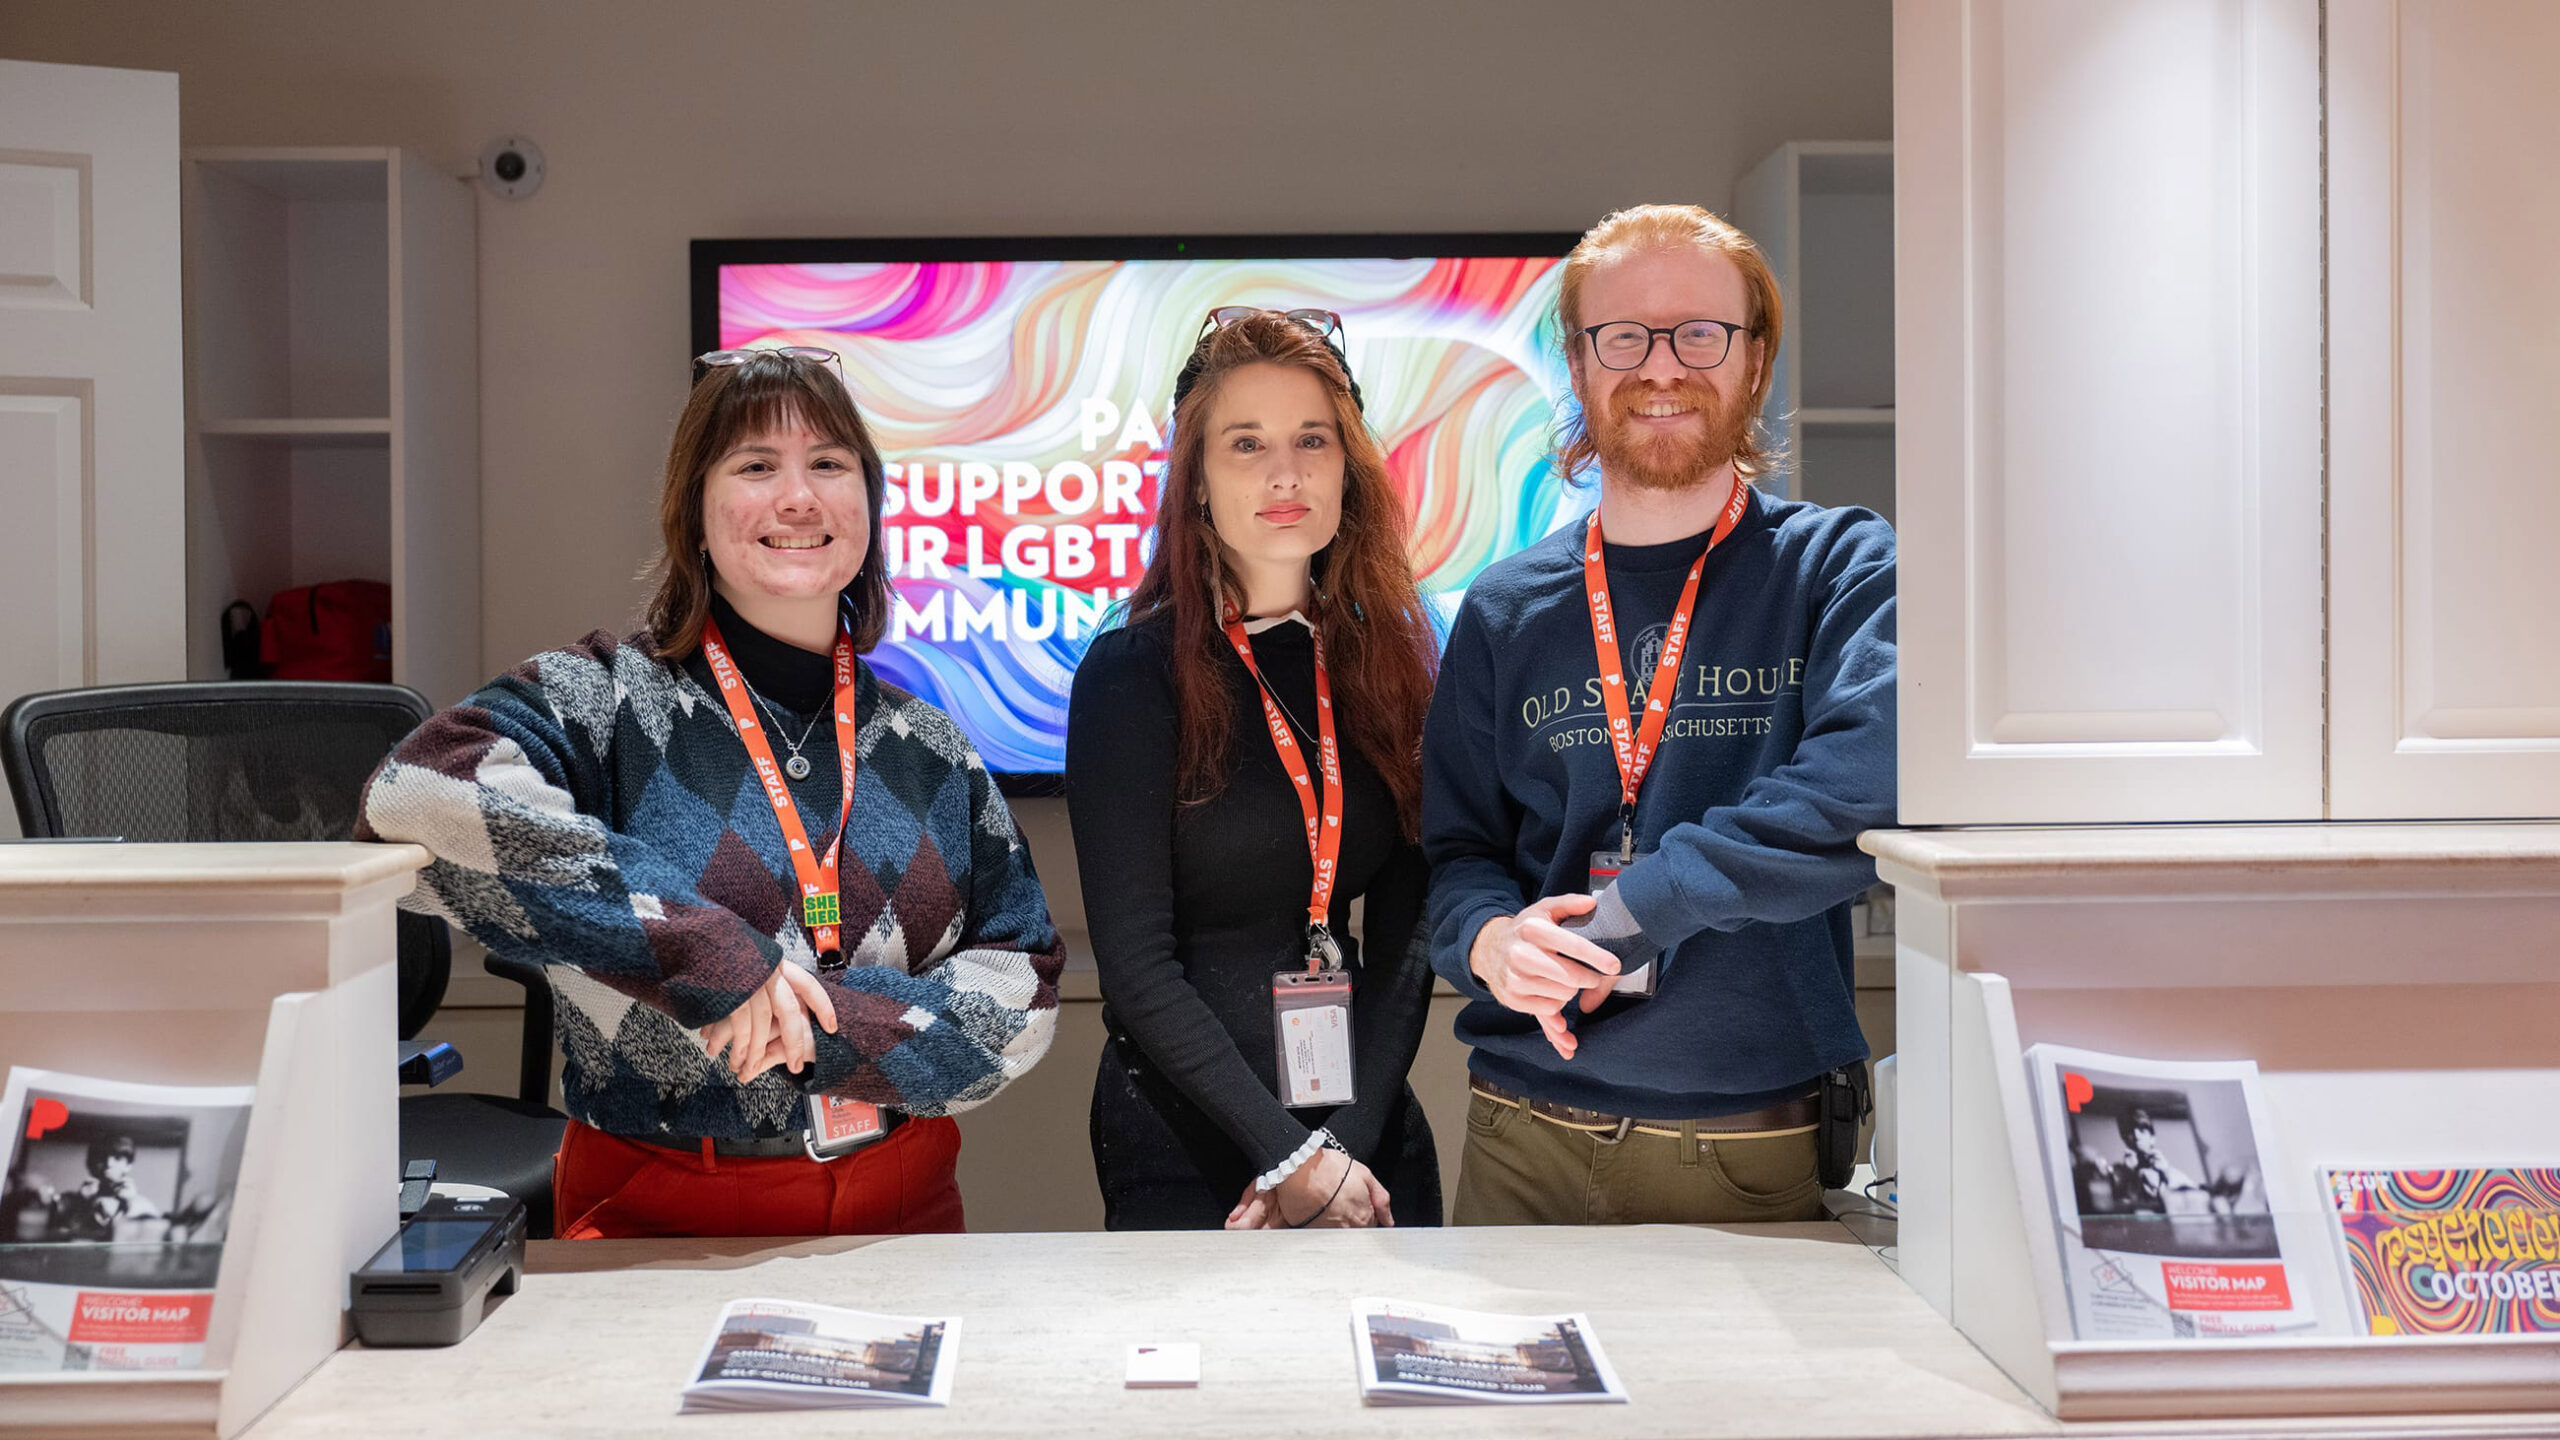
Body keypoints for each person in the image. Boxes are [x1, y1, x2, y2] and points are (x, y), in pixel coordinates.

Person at [359, 348, 1064, 1238]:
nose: (798, 497)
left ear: (868, 508)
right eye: (756, 466)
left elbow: (1026, 985)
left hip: (904, 1199)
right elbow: (415, 795)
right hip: (657, 1208)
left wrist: (828, 1029)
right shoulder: (609, 700)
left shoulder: (930, 744)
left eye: (830, 465)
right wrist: (704, 957)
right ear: (694, 510)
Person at [1421, 205, 1897, 1225]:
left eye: (1699, 333)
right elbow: (1455, 857)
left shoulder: (1838, 569)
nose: (1662, 366)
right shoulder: (1506, 610)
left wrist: (1637, 910)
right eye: (1623, 336)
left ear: (1754, 359)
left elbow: (1870, 780)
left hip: (1744, 1144)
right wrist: (1490, 945)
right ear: (1580, 364)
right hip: (1518, 1136)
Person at [1068, 308, 1443, 1230]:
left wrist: (1339, 1153)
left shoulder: (1390, 664)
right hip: (1188, 1141)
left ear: (1347, 467)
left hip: (1367, 1139)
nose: (1285, 473)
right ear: (1195, 481)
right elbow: (1137, 967)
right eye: (1246, 444)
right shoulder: (1131, 676)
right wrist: (1287, 1157)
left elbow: (1409, 943)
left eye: (1312, 440)